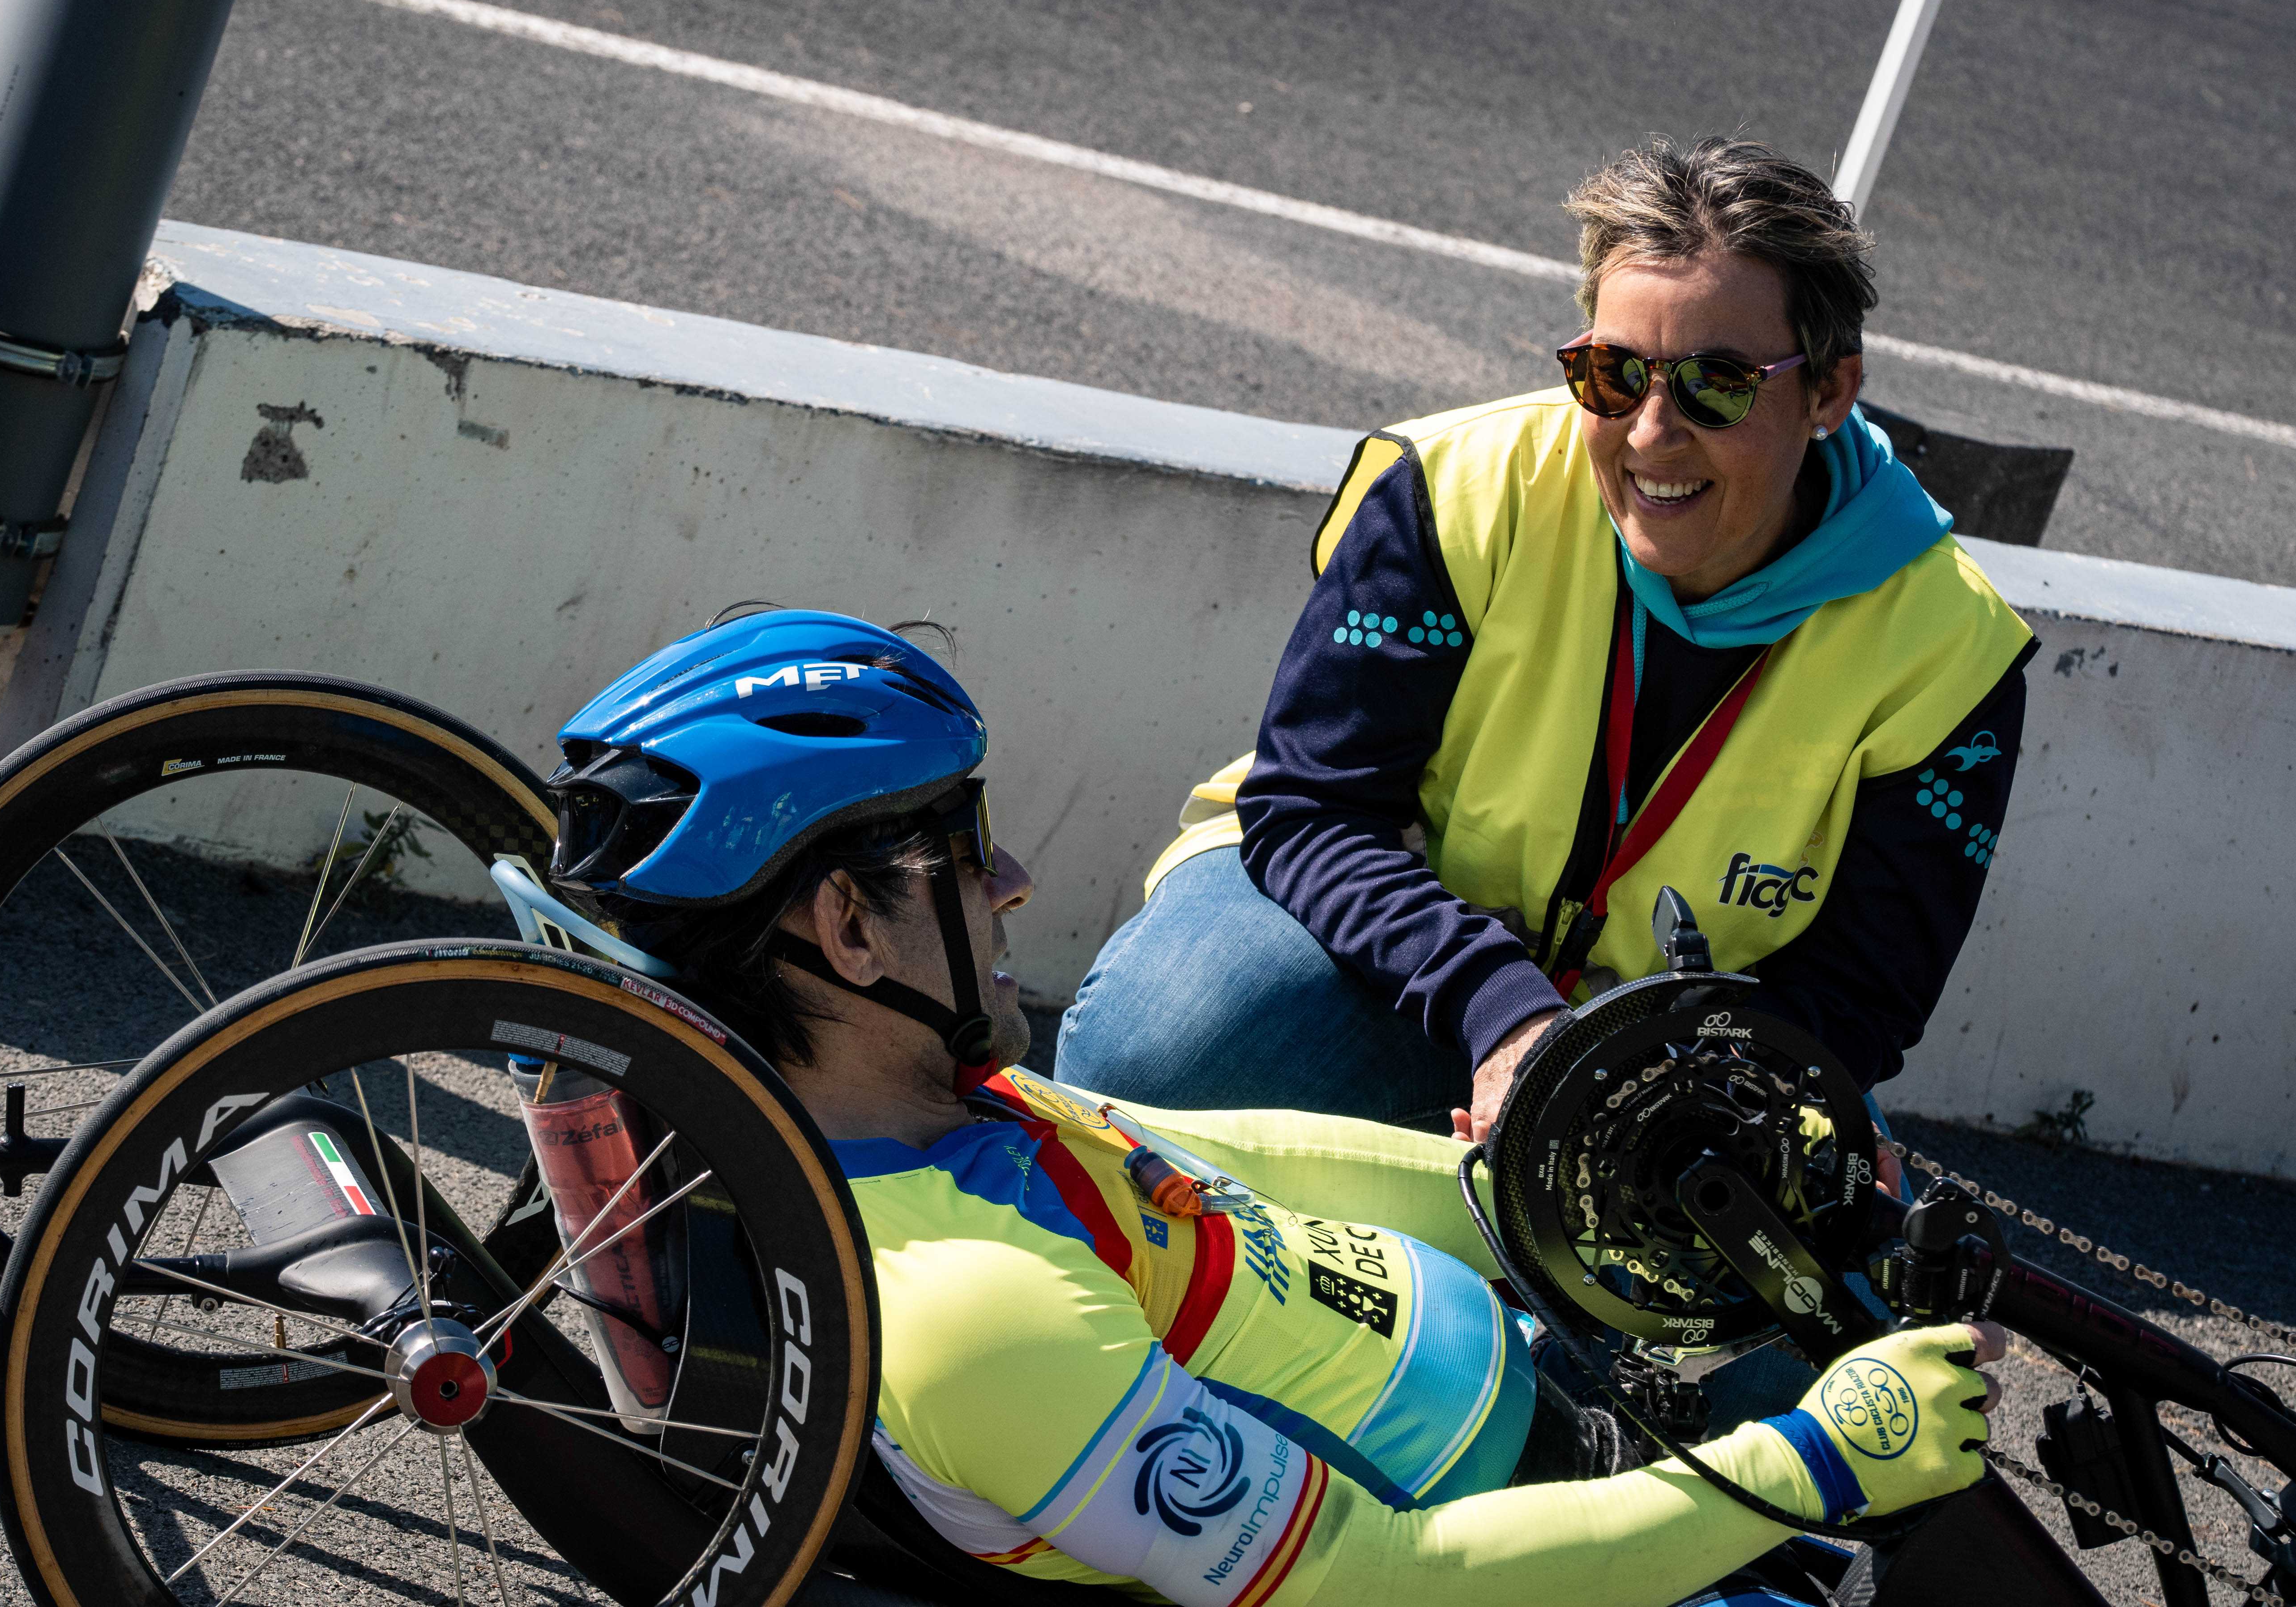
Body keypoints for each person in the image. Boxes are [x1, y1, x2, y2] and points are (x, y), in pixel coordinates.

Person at [548, 605, 2006, 1607]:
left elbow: (1232, 1168)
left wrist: (1545, 1197)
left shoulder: (947, 1118)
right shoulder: (959, 1306)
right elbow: (1381, 1584)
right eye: (959, 846)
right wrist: (1804, 1461)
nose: (1010, 884)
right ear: (848, 933)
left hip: (1575, 1450)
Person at [1052, 136, 2036, 1153]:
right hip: (1387, 946)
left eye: (1717, 384)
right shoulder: (1453, 487)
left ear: (1829, 393)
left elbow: (1863, 994)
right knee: (1147, 1057)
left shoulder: (1949, 650)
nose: (1651, 434)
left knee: (1799, 1281)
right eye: (1613, 374)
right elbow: (1312, 811)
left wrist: (1627, 1084)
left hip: (1669, 1046)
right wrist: (1507, 1013)